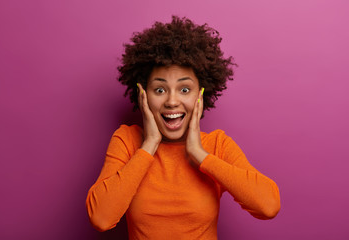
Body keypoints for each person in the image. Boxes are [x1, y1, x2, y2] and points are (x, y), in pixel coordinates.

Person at [86, 16, 280, 239]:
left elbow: (268, 206)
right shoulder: (127, 140)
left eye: (184, 90)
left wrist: (200, 155)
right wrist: (148, 145)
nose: (171, 101)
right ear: (143, 95)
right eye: (160, 90)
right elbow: (101, 218)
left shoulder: (216, 145)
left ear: (201, 94)